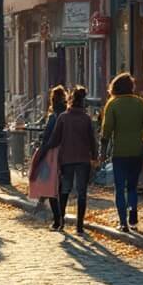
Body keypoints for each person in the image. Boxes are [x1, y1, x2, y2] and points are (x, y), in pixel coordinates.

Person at [99, 72, 143, 232]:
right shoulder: (139, 103)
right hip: (137, 150)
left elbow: (106, 130)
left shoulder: (112, 104)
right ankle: (133, 212)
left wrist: (102, 151)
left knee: (120, 187)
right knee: (133, 187)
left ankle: (123, 222)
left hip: (119, 152)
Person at [43, 86, 99, 234]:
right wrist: (94, 156)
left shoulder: (63, 118)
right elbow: (92, 140)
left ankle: (61, 221)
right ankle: (79, 226)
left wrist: (45, 150)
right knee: (82, 192)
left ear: (70, 100)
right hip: (83, 159)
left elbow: (55, 139)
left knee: (65, 190)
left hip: (66, 159)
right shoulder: (86, 119)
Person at [34, 85, 68, 225]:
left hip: (53, 154)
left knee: (51, 187)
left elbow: (47, 136)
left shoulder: (53, 117)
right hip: (67, 153)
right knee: (63, 187)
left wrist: (42, 151)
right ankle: (62, 215)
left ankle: (57, 219)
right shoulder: (67, 114)